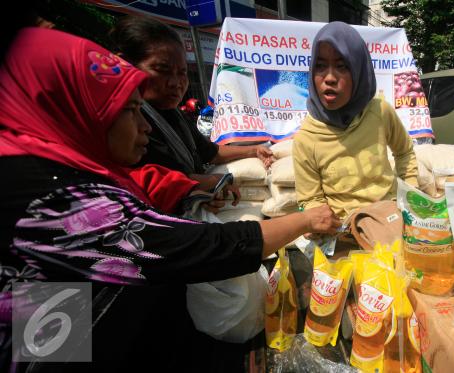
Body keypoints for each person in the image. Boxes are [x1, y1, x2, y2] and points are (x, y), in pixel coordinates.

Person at [0, 27, 339, 371]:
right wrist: (304, 220)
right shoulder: (55, 199)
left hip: (80, 329)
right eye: (130, 109)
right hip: (59, 347)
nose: (144, 125)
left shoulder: (57, 165)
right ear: (73, 106)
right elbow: (189, 247)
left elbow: (147, 183)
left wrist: (188, 186)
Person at [109, 16, 274, 191]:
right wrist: (203, 184)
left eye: (182, 72)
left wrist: (254, 149)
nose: (176, 83)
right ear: (124, 64)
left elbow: (210, 152)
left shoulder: (173, 114)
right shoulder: (124, 124)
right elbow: (149, 183)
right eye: (161, 70)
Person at [293, 21, 419, 221]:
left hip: (390, 217)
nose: (329, 78)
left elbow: (404, 152)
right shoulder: (306, 139)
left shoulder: (380, 112)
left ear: (359, 71)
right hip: (343, 230)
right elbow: (311, 199)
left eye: (342, 66)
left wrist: (410, 194)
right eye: (320, 66)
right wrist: (321, 221)